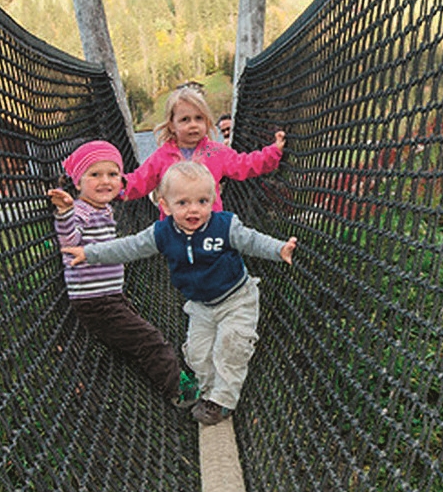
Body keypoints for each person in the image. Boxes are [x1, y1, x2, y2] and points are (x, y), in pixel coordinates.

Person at [62, 161, 297, 426]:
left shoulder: (224, 226)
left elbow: (252, 240)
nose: (193, 209)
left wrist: (279, 249)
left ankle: (222, 402)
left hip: (236, 299)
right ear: (165, 205)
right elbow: (128, 247)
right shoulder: (162, 233)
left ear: (213, 199)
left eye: (202, 201)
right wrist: (89, 253)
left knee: (231, 346)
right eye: (183, 203)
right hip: (200, 306)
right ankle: (209, 391)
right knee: (198, 355)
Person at [48, 140, 199, 409]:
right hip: (95, 301)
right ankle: (182, 392)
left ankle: (173, 383)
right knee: (150, 339)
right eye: (94, 175)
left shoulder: (103, 208)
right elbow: (69, 241)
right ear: (78, 180)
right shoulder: (80, 210)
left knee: (141, 338)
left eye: (113, 174)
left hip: (109, 296)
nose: (105, 181)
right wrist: (64, 212)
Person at [122, 82, 285, 217]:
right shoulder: (162, 157)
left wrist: (273, 153)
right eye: (185, 120)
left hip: (210, 225)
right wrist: (114, 186)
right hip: (175, 230)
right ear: (172, 125)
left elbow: (244, 164)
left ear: (206, 121)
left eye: (198, 118)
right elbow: (139, 181)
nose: (193, 124)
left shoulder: (216, 152)